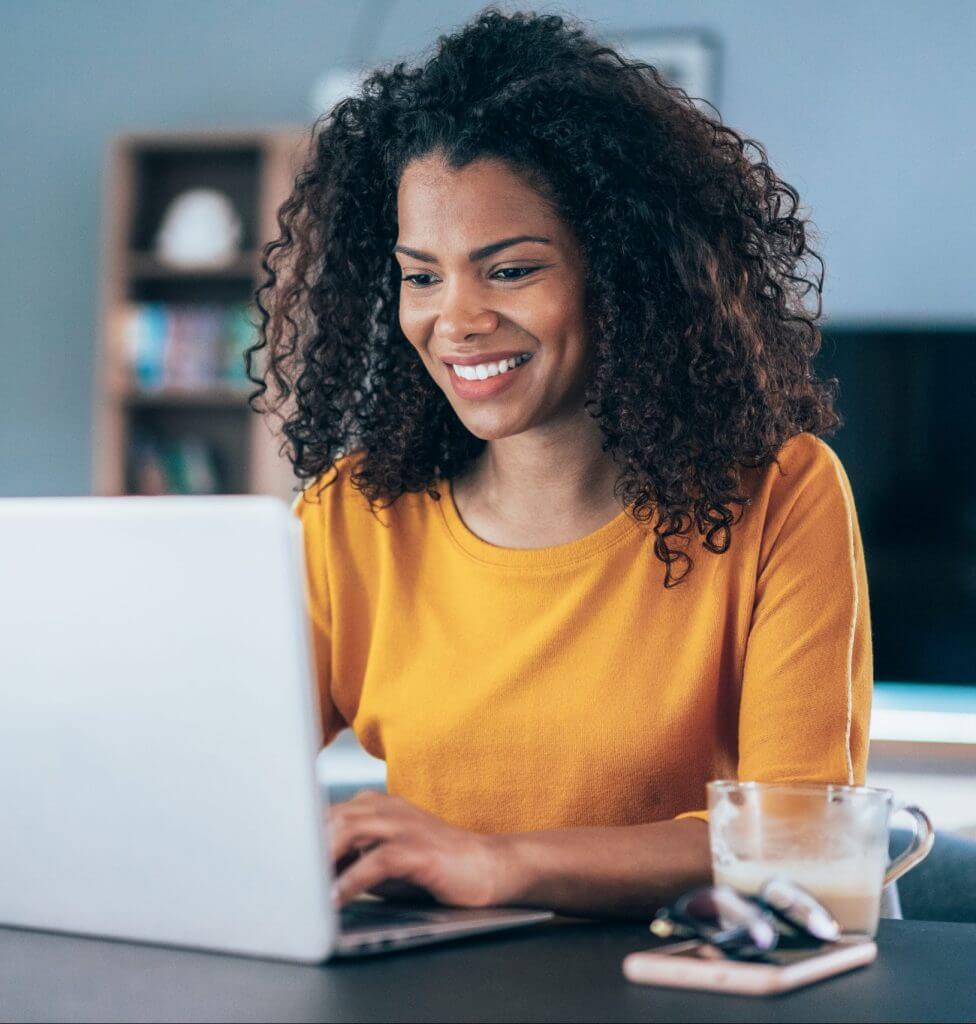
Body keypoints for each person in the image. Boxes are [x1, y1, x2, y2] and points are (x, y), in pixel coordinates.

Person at [247, 7, 872, 920]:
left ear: (621, 274)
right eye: (422, 276)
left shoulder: (780, 491)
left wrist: (499, 865)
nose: (453, 320)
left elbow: (803, 837)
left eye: (509, 270)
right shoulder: (354, 515)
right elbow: (218, 770)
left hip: (674, 981)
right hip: (428, 982)